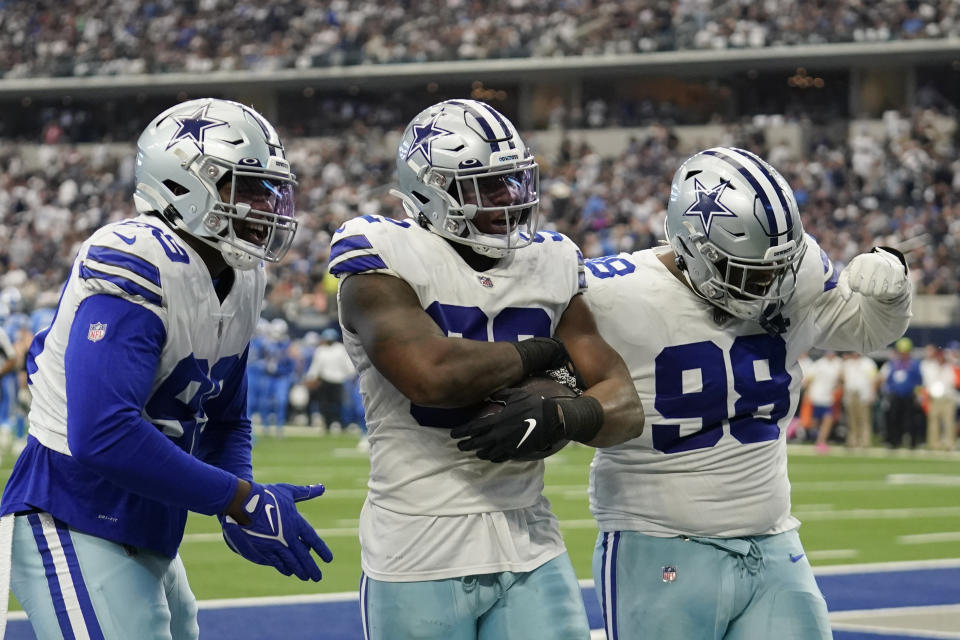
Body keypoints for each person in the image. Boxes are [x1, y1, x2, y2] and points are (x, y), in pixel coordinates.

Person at [0, 98, 333, 640]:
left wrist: (237, 502)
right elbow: (103, 434)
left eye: (271, 188)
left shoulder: (241, 276)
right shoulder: (137, 257)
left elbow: (226, 419)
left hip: (151, 518)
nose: (267, 203)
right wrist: (240, 498)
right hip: (74, 507)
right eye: (244, 187)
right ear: (182, 184)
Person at [328, 99, 643, 640]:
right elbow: (431, 375)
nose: (509, 199)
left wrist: (569, 416)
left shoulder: (551, 260)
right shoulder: (381, 253)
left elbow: (626, 406)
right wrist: (539, 353)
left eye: (513, 181)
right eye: (486, 187)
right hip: (417, 542)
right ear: (429, 190)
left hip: (530, 535)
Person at [582, 146, 912, 640]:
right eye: (751, 273)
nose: (772, 285)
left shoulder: (790, 270)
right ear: (697, 248)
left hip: (774, 539)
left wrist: (892, 291)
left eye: (780, 267)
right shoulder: (613, 293)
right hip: (659, 542)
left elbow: (865, 331)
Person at [302, 327, 356, 434]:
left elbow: (347, 364)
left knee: (339, 403)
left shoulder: (340, 349)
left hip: (338, 381)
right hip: (325, 380)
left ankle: (340, 423)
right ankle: (327, 424)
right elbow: (316, 366)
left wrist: (351, 374)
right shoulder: (320, 350)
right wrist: (310, 377)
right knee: (325, 404)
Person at [880, 337, 924, 448]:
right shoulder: (893, 364)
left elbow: (919, 381)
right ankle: (894, 441)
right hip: (896, 395)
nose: (903, 354)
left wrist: (918, 395)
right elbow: (889, 380)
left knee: (911, 420)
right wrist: (888, 391)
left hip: (909, 395)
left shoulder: (914, 365)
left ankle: (913, 443)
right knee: (894, 419)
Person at [804, 350, 843, 453]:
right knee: (815, 421)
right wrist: (808, 393)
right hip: (817, 396)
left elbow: (841, 378)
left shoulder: (838, 363)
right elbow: (807, 381)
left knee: (828, 419)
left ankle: (821, 441)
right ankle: (817, 439)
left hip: (828, 398)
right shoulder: (818, 364)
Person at [920, 345, 957, 451]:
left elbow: (954, 382)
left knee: (949, 422)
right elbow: (927, 382)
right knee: (933, 422)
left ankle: (949, 444)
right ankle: (933, 444)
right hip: (934, 399)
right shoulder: (931, 367)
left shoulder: (950, 367)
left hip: (948, 398)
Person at [841, 351, 879, 448]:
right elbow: (842, 378)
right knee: (851, 419)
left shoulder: (868, 363)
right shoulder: (847, 364)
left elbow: (875, 379)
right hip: (850, 393)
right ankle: (852, 441)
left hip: (863, 394)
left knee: (864, 419)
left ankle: (865, 441)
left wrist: (872, 393)